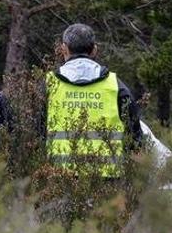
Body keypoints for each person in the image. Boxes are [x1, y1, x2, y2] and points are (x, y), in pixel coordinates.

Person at [44, 23, 142, 177]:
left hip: (59, 179)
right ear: (95, 50)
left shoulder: (49, 84)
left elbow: (33, 132)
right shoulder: (115, 85)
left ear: (64, 48)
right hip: (107, 180)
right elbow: (134, 136)